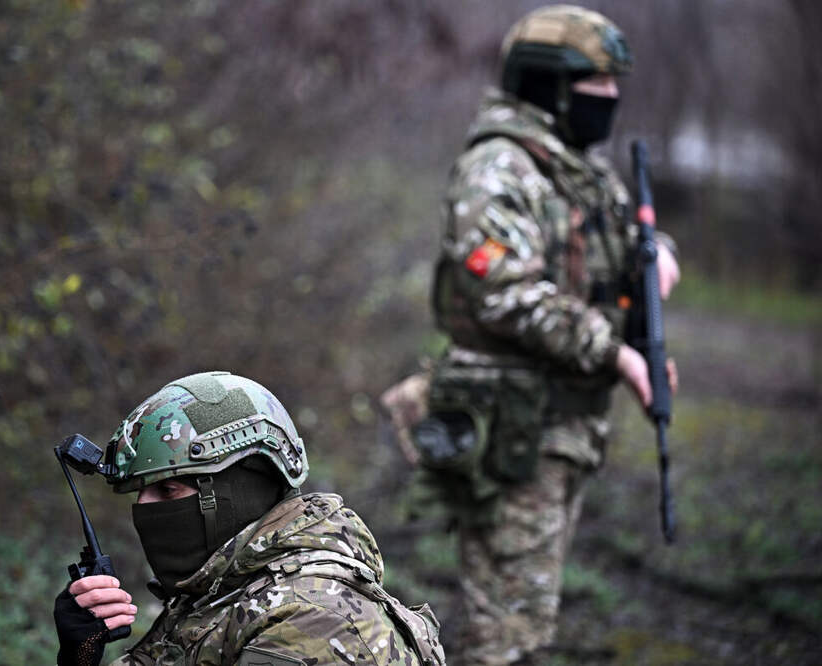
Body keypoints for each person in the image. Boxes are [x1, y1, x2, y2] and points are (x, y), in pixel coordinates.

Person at [381, 5, 680, 665]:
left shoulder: (574, 166)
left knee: (527, 618)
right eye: (598, 85)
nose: (612, 98)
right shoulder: (499, 167)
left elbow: (619, 236)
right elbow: (502, 290)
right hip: (512, 426)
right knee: (502, 632)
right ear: (551, 86)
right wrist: (613, 352)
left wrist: (657, 253)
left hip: (561, 425)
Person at [54, 371, 446, 666]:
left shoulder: (315, 620)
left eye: (168, 491)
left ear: (237, 493)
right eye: (140, 494)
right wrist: (80, 655)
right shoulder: (216, 597)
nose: (146, 510)